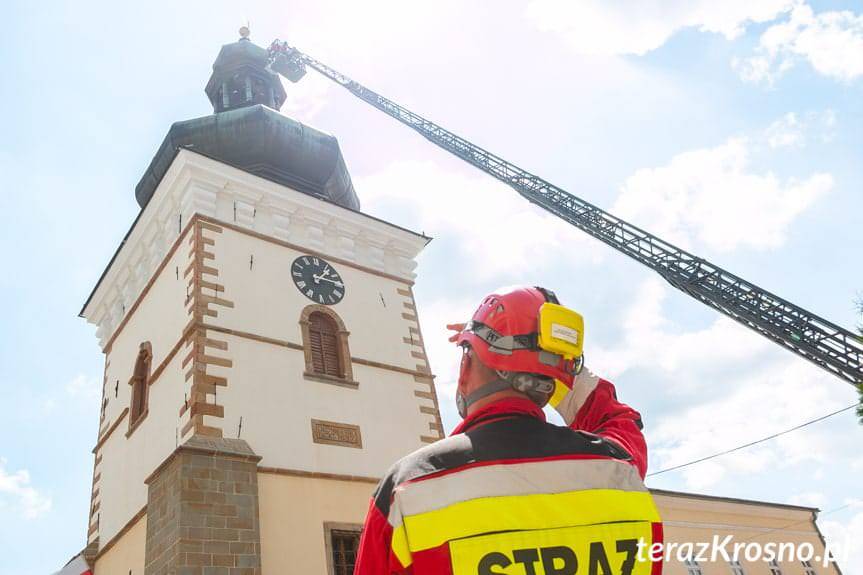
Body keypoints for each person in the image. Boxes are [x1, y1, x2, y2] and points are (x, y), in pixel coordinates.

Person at [354, 286, 662, 575]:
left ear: (464, 371)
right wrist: (555, 364)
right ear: (556, 379)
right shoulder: (619, 468)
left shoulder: (407, 490)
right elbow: (615, 417)